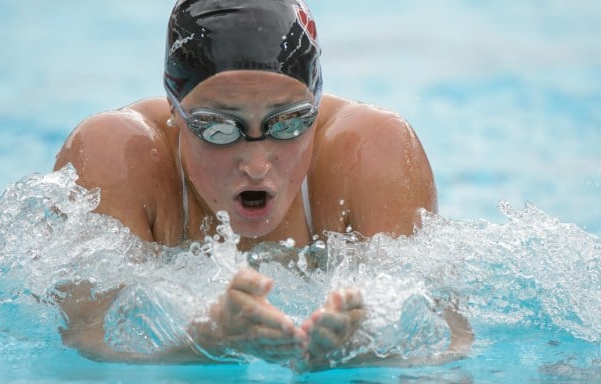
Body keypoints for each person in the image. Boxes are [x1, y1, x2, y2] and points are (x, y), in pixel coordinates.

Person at [53, 0, 472, 371]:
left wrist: (366, 350)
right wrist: (204, 341)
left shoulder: (371, 153)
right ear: (174, 112)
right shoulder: (118, 156)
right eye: (217, 129)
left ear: (316, 105)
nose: (256, 164)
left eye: (288, 123)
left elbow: (449, 343)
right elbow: (86, 337)